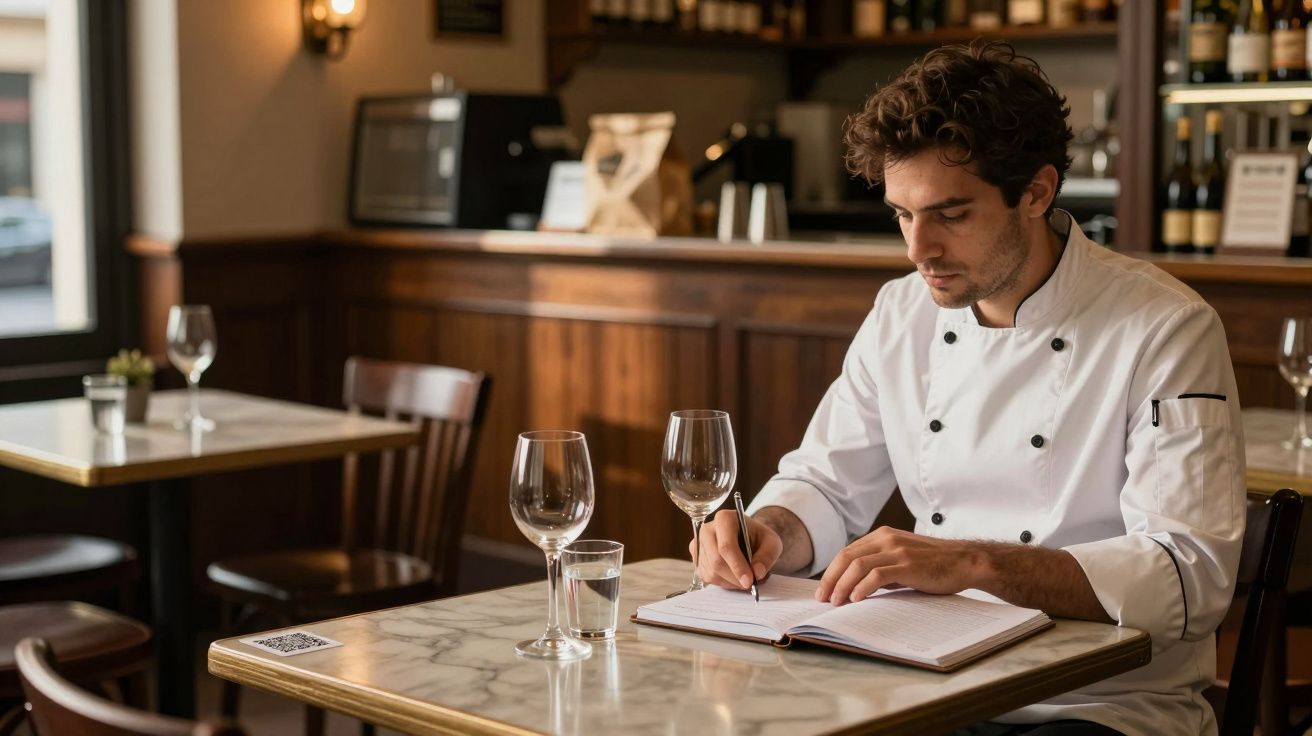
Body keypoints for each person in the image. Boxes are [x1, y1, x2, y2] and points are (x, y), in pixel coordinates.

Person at [696, 41, 1244, 736]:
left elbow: (1187, 578)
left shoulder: (1165, 327)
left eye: (950, 215)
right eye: (902, 214)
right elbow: (829, 485)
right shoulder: (901, 313)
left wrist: (972, 562)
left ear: (1036, 193)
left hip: (1103, 706)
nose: (917, 250)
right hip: (930, 685)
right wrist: (766, 531)